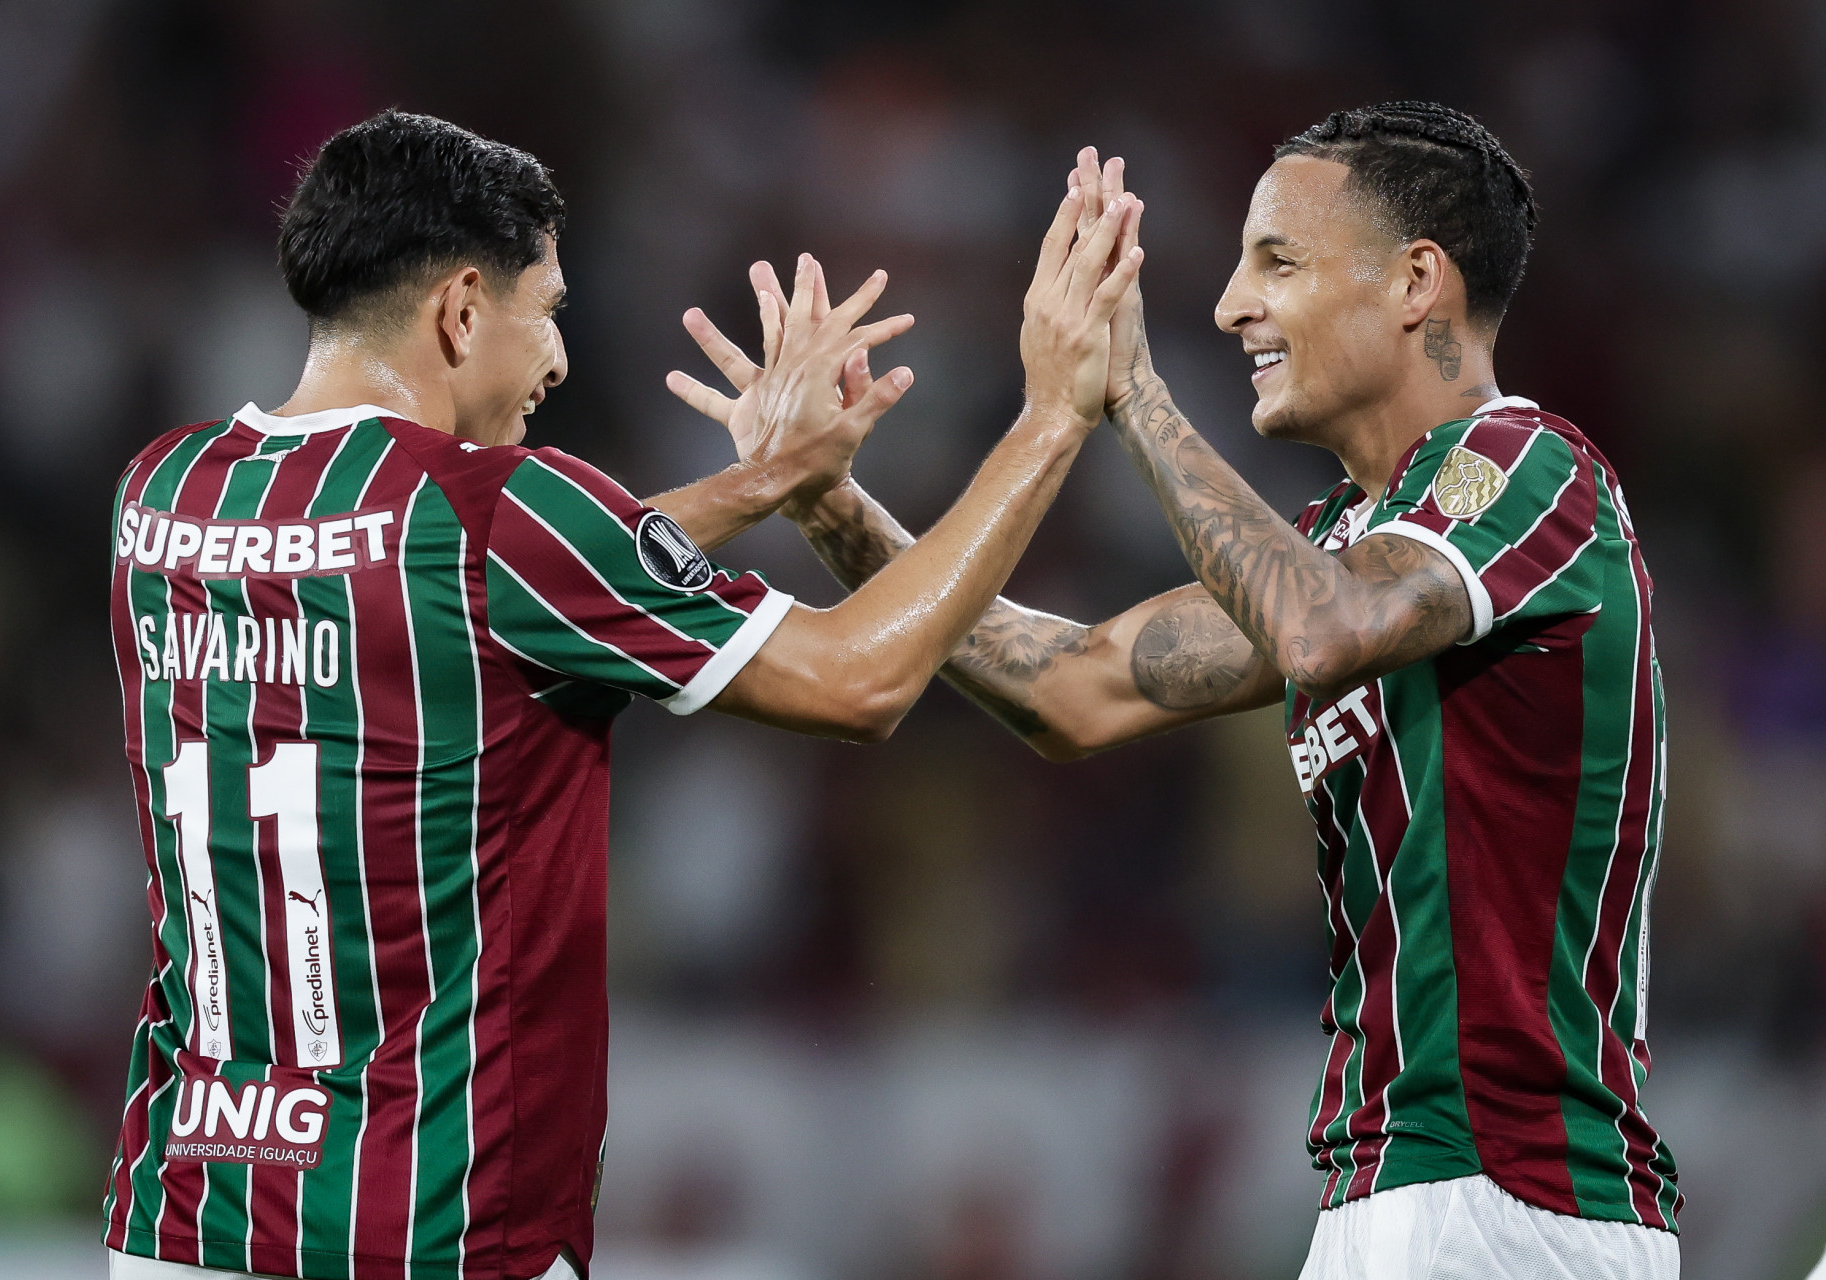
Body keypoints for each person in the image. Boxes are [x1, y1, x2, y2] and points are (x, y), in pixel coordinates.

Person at [102, 109, 1141, 1280]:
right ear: (458, 309)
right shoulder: (500, 513)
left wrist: (764, 481)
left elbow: (465, 593)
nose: (556, 359)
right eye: (545, 312)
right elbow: (863, 679)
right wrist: (1054, 415)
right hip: (428, 1231)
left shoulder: (167, 496)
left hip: (184, 1218)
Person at [674, 103, 1678, 1279]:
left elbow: (1324, 631)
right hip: (1401, 1191)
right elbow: (1070, 688)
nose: (1231, 303)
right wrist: (821, 496)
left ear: (1417, 282)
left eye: (1278, 261)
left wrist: (1131, 391)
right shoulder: (1346, 543)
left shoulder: (1528, 468)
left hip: (1512, 1195)